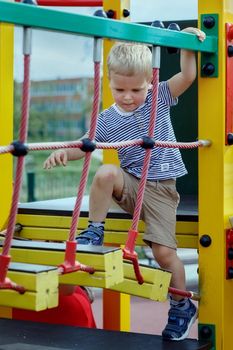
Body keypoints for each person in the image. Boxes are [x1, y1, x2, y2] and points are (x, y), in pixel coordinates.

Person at [43, 27, 206, 341]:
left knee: (163, 253)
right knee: (105, 173)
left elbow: (187, 76)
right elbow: (86, 144)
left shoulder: (157, 97)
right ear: (110, 83)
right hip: (131, 185)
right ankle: (95, 229)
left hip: (159, 188)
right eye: (120, 90)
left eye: (136, 90)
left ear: (149, 82)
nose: (128, 97)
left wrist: (186, 42)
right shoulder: (107, 119)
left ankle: (180, 303)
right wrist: (64, 150)